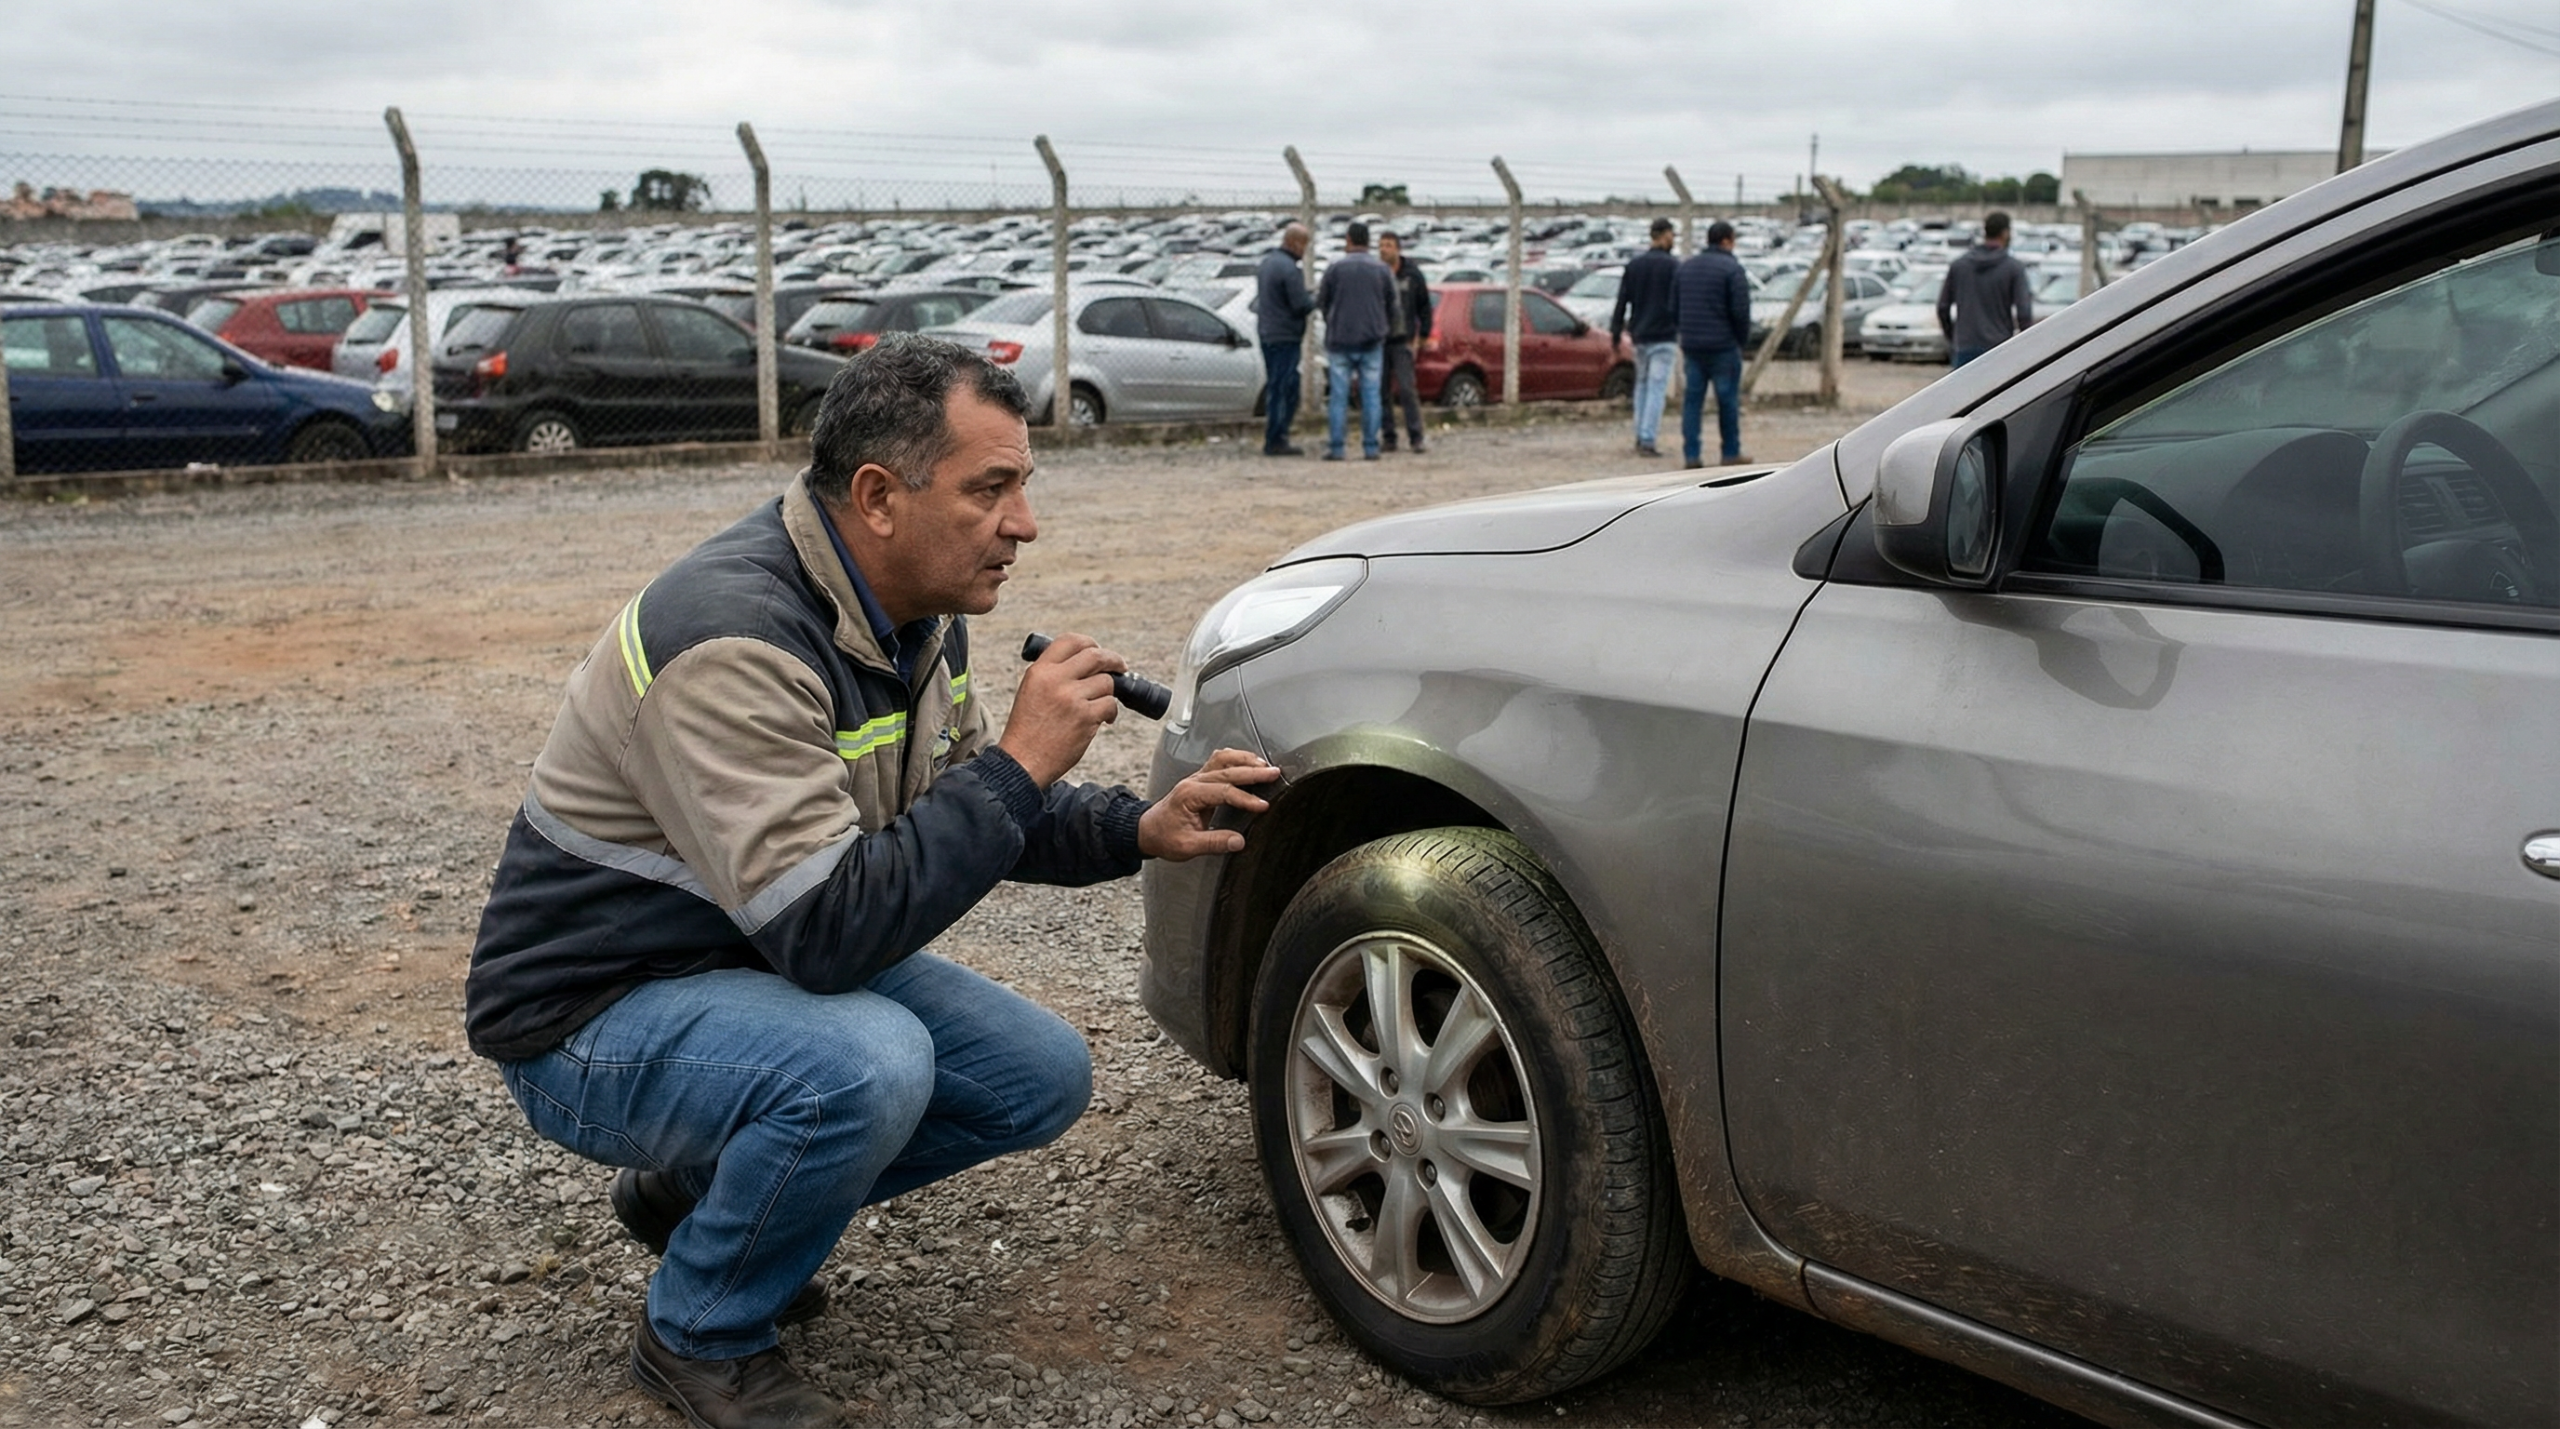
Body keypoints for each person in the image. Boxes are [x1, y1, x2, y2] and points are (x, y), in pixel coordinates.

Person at [464, 335, 1281, 1429]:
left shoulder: (906, 613)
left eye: (1023, 487)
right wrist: (1025, 761)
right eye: (990, 489)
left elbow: (956, 807)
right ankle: (698, 1330)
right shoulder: (736, 641)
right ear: (877, 496)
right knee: (866, 1065)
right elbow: (831, 933)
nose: (1024, 524)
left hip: (738, 961)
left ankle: (705, 1197)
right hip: (590, 1014)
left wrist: (1140, 824)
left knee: (1036, 1074)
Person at [1670, 219, 1752, 468]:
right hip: (1723, 346)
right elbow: (1741, 310)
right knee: (1727, 401)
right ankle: (1730, 452)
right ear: (1727, 240)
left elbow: (1673, 307)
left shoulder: (1686, 267)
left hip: (1693, 346)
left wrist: (1686, 333)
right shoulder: (1732, 269)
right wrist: (1741, 340)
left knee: (1692, 401)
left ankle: (1692, 455)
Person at [1314, 220, 1397, 461]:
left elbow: (1322, 302)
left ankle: (1337, 447)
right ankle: (1371, 447)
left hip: (1340, 340)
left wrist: (1334, 322)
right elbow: (1393, 304)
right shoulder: (1381, 270)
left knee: (1339, 397)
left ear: (1348, 240)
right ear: (1368, 241)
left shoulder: (1335, 268)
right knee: (1371, 395)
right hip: (1372, 340)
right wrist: (1382, 327)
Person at [1610, 217, 1681, 458]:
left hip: (1639, 333)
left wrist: (1615, 334)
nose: (1674, 239)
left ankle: (1640, 433)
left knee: (1641, 385)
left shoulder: (1635, 266)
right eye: (1672, 234)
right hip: (1664, 335)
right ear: (1663, 235)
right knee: (1656, 387)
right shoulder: (1673, 266)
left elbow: (1622, 302)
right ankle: (1648, 438)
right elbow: (1680, 302)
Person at [1936, 210, 2036, 368]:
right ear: (2005, 233)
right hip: (1999, 348)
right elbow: (2024, 313)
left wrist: (1953, 337)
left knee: (1964, 392)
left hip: (1965, 346)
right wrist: (2026, 347)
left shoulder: (1959, 266)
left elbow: (1943, 308)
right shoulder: (2013, 268)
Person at [1255, 222, 1316, 456]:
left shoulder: (1268, 263)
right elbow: (1300, 304)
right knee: (1284, 388)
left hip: (1267, 332)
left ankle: (1276, 435)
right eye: (1304, 244)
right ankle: (1276, 438)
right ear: (1294, 242)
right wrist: (1314, 300)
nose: (1304, 250)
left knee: (1278, 384)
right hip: (1285, 336)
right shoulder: (1290, 269)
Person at [1376, 231, 1433, 455]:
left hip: (1403, 341)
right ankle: (1389, 436)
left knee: (1407, 389)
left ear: (1397, 248)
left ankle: (1416, 436)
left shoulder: (1412, 274)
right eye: (1381, 245)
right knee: (1381, 392)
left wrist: (1423, 335)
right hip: (1379, 340)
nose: (1383, 249)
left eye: (1388, 245)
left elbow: (1424, 306)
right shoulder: (1376, 274)